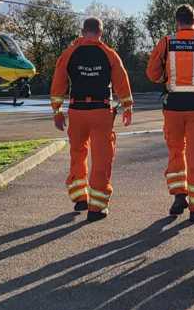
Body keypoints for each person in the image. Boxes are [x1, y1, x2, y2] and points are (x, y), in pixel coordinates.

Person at [50, 17, 134, 221]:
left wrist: (57, 111)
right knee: (101, 159)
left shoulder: (69, 53)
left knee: (78, 153)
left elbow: (59, 82)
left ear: (82, 31)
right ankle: (96, 208)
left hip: (77, 111)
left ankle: (80, 197)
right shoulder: (109, 54)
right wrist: (127, 107)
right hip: (101, 111)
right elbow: (121, 81)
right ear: (101, 32)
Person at [146, 4, 194, 222]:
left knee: (176, 152)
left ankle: (179, 196)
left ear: (176, 22)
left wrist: (166, 80)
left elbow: (152, 73)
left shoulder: (166, 42)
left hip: (172, 106)